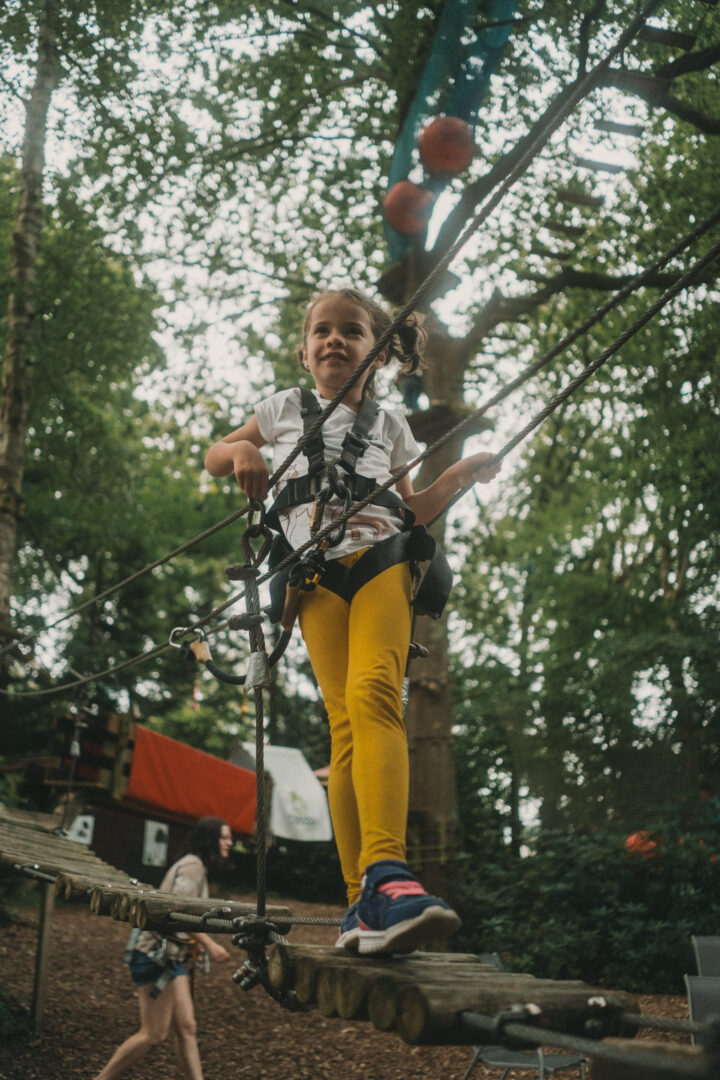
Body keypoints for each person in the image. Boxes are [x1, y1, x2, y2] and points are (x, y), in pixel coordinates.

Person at [205, 288, 500, 956]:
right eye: (323, 332)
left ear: (382, 351)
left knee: (374, 696)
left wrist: (455, 476)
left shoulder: (392, 426)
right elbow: (216, 453)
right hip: (311, 576)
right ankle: (358, 903)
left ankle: (388, 873)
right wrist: (242, 455)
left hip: (380, 559)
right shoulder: (282, 408)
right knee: (343, 727)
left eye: (353, 332)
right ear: (305, 350)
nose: (335, 340)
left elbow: (412, 508)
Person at [93, 817, 233, 1080]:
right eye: (225, 837)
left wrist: (194, 944)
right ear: (210, 840)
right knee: (153, 1034)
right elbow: (177, 913)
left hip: (173, 957)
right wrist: (210, 944)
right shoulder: (192, 867)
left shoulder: (196, 865)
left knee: (187, 1026)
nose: (230, 842)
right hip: (155, 955)